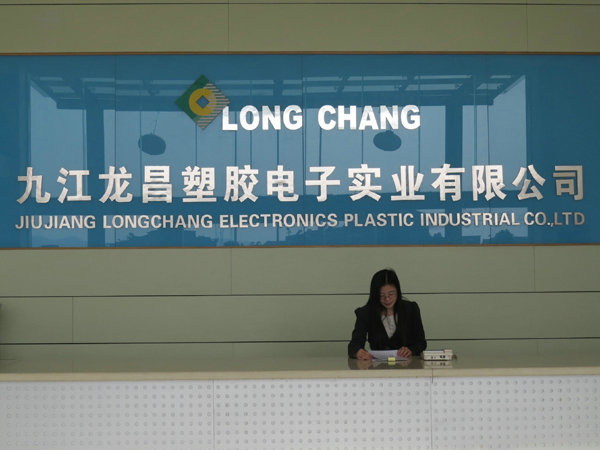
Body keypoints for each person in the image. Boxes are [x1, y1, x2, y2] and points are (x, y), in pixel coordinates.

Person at [348, 268, 426, 360]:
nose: (387, 299)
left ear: (398, 291)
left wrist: (411, 350)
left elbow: (421, 343)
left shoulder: (411, 309)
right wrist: (358, 352)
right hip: (377, 366)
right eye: (381, 295)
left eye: (391, 294)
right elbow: (354, 345)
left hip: (407, 365)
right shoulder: (365, 313)